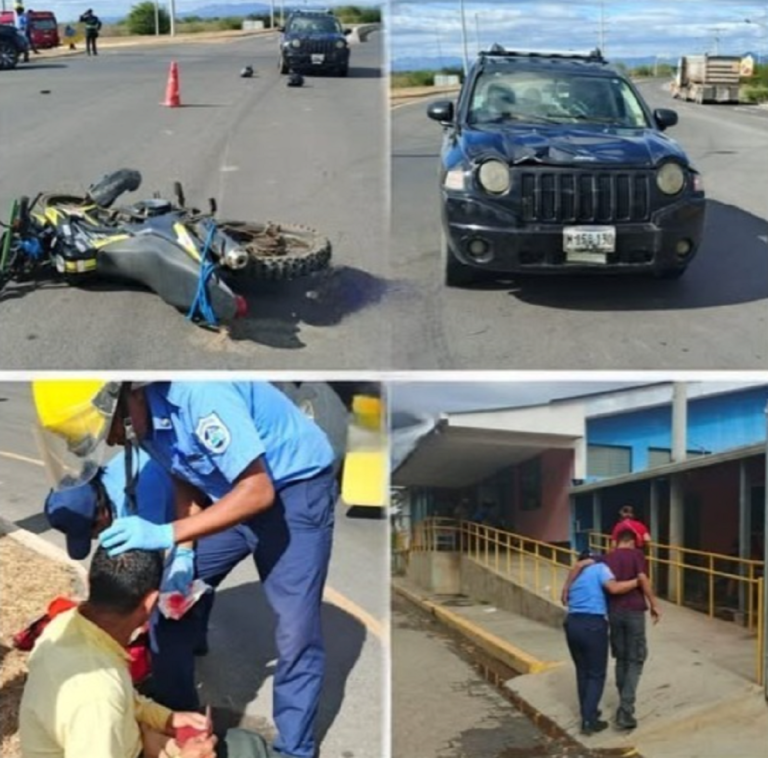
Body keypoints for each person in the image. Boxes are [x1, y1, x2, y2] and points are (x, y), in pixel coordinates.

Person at [33, 380, 339, 758]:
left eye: (109, 430)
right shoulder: (141, 419)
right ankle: (183, 720)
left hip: (291, 490)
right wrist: (183, 554)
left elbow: (258, 491)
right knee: (167, 605)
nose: (112, 442)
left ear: (126, 395)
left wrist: (167, 533)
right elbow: (185, 474)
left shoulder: (201, 396)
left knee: (296, 632)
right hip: (229, 492)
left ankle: (295, 750)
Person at [43, 447, 254, 712]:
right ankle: (195, 641)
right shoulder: (107, 489)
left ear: (102, 513)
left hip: (214, 507)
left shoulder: (142, 491)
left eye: (93, 532)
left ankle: (178, 709)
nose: (95, 538)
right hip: (189, 506)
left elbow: (152, 560)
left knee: (167, 615)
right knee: (195, 588)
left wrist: (182, 557)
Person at [18, 545, 220, 758]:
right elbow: (107, 701)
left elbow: (123, 698)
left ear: (89, 582)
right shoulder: (100, 698)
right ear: (151, 602)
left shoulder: (65, 625)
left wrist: (166, 718)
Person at [563, 530, 661, 730]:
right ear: (632, 542)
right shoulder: (636, 555)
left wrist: (566, 588)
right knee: (634, 660)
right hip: (631, 613)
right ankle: (624, 710)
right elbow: (640, 579)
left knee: (620, 659)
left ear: (616, 542)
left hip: (610, 614)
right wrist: (654, 604)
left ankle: (601, 708)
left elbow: (579, 565)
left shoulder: (606, 558)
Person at [560, 550, 641, 736]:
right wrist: (637, 581)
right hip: (593, 625)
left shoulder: (575, 576)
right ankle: (589, 721)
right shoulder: (600, 568)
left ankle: (588, 710)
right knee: (596, 674)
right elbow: (614, 588)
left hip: (572, 623)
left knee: (582, 671)